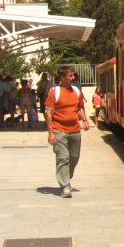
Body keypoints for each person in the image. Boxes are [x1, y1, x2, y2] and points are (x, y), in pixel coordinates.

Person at [45, 66, 90, 198]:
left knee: (74, 157)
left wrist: (85, 120)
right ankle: (65, 186)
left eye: (73, 75)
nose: (73, 78)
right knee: (63, 158)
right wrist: (51, 133)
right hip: (59, 130)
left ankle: (66, 178)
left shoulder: (76, 91)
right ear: (62, 78)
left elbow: (80, 107)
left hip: (75, 130)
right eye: (70, 76)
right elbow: (49, 113)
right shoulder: (55, 92)